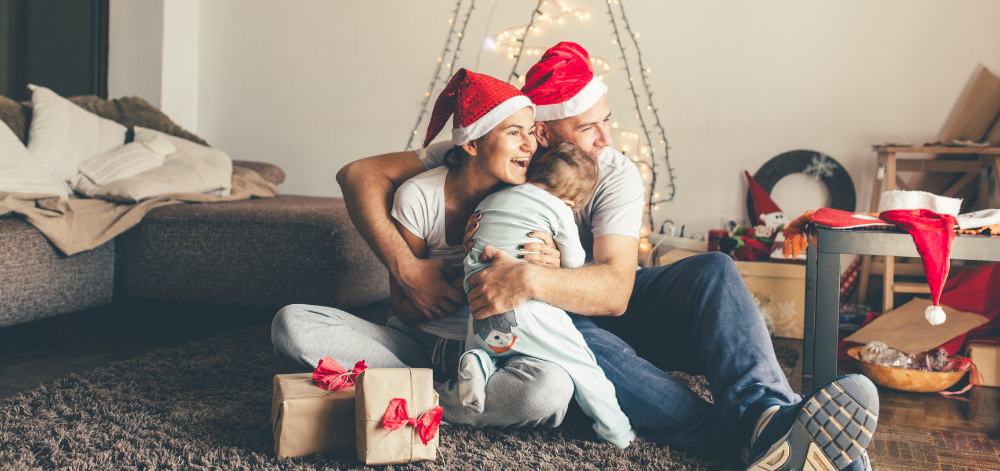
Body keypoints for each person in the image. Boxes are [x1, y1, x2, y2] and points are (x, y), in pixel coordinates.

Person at [332, 41, 878, 471]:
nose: (603, 138)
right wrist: (407, 269)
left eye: (605, 119)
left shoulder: (611, 170)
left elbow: (616, 291)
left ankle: (768, 419)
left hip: (596, 299)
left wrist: (533, 277)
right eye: (586, 125)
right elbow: (359, 174)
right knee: (574, 338)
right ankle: (751, 444)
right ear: (539, 133)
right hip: (552, 326)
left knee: (714, 268)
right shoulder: (498, 145)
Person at [271, 69, 576, 429]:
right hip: (415, 344)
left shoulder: (530, 200)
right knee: (291, 325)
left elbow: (546, 297)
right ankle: (447, 401)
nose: (530, 145)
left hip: (495, 349)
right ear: (471, 144)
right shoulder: (419, 196)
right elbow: (404, 307)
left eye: (530, 132)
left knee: (551, 390)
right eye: (513, 133)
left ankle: (414, 399)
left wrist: (545, 267)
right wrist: (466, 277)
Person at [459, 142, 634, 449]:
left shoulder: (490, 200)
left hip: (479, 306)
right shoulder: (557, 209)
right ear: (572, 202)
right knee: (583, 364)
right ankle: (618, 432)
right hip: (525, 308)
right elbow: (576, 263)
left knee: (497, 353)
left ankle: (477, 360)